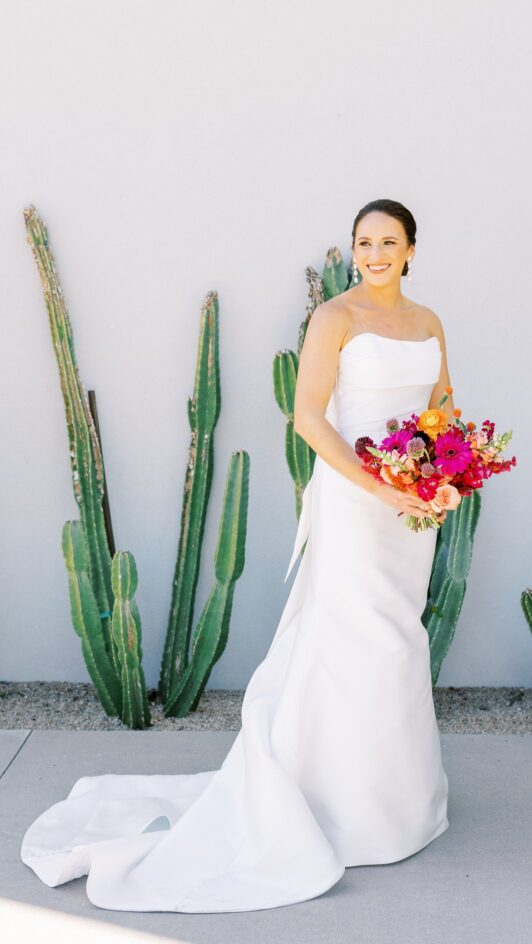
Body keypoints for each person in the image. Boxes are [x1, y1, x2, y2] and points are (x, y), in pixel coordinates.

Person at [20, 198, 452, 913]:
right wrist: (382, 484)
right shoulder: (334, 318)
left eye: (387, 241)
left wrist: (443, 477)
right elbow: (310, 417)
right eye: (362, 242)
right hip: (355, 499)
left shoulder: (428, 321)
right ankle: (339, 804)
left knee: (399, 641)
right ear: (354, 251)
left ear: (411, 249)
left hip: (414, 508)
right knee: (354, 641)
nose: (373, 253)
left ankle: (397, 805)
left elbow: (442, 405)